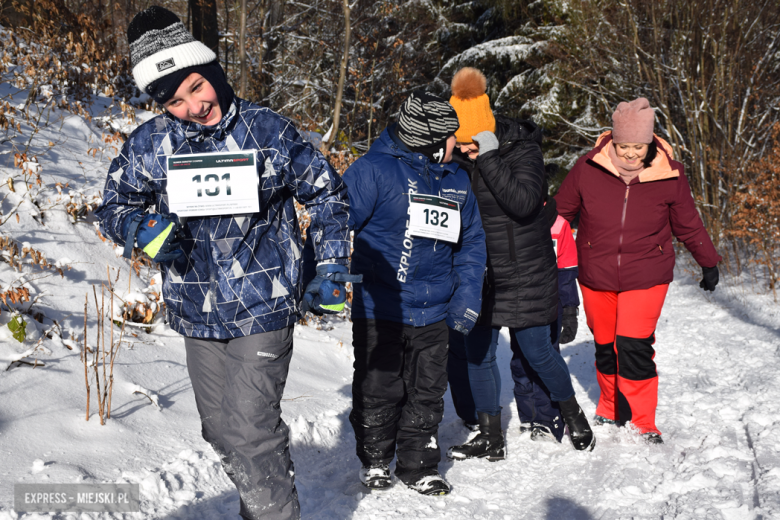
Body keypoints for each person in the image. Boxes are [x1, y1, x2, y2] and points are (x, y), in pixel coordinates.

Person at [95, 7, 354, 519]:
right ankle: (260, 499)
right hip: (196, 309)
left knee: (252, 428)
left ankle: (273, 512)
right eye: (174, 100)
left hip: (265, 303)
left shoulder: (268, 132)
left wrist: (329, 266)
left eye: (197, 87)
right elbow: (112, 206)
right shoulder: (150, 144)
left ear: (212, 70)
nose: (194, 105)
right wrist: (141, 232)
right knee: (219, 428)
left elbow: (328, 195)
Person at [445, 67, 595, 458]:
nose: (465, 152)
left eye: (471, 144)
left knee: (537, 352)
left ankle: (573, 413)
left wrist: (489, 155)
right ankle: (491, 437)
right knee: (478, 356)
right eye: (460, 144)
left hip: (526, 270)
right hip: (480, 274)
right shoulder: (456, 159)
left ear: (486, 132)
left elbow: (524, 203)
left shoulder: (522, 150)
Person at [341, 91, 486, 494]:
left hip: (436, 308)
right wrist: (325, 274)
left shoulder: (457, 179)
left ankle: (418, 464)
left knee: (427, 390)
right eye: (452, 137)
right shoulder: (372, 171)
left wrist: (467, 296)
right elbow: (333, 223)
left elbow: (472, 241)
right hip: (380, 306)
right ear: (433, 141)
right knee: (379, 387)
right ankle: (374, 460)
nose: (458, 143)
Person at [554, 97, 721, 444]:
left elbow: (688, 224)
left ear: (650, 143)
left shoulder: (669, 174)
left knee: (633, 345)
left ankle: (643, 420)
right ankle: (611, 405)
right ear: (613, 140)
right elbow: (559, 216)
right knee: (605, 344)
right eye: (624, 145)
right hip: (596, 272)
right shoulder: (588, 167)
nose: (631, 154)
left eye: (639, 147)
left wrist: (708, 261)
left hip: (647, 273)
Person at [510, 185, 581, 443]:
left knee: (545, 358)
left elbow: (568, 271)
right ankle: (528, 416)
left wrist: (570, 309)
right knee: (519, 360)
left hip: (550, 302)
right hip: (518, 300)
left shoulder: (559, 224)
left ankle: (548, 418)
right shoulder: (510, 218)